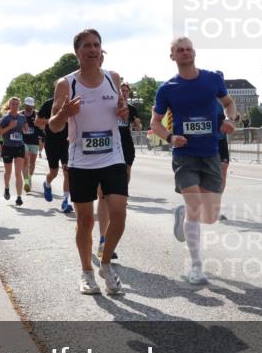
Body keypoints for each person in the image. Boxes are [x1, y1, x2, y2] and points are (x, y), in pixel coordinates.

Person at [150, 36, 238, 284]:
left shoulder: (212, 79)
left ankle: (184, 215)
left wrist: (230, 120)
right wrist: (169, 137)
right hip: (184, 155)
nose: (185, 52)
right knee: (194, 205)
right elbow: (154, 124)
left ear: (194, 53)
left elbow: (229, 104)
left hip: (211, 152)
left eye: (189, 48)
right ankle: (196, 267)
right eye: (180, 49)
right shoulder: (167, 88)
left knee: (210, 216)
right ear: (173, 56)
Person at [49, 28, 127, 294]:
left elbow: (122, 114)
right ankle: (86, 272)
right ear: (77, 52)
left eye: (96, 45)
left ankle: (105, 264)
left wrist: (123, 111)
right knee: (85, 221)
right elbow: (54, 126)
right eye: (87, 46)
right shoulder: (66, 84)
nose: (93, 50)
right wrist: (64, 112)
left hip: (112, 155)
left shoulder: (113, 78)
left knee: (119, 213)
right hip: (81, 160)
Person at [96, 81, 138, 259]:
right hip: (107, 149)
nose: (125, 93)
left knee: (125, 177)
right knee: (102, 196)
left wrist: (137, 123)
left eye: (127, 91)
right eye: (122, 90)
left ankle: (121, 194)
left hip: (125, 147)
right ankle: (103, 240)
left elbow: (138, 126)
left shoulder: (131, 108)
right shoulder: (106, 105)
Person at [38, 94, 72, 213]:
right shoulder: (48, 104)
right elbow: (37, 122)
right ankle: (47, 183)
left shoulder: (71, 102)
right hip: (51, 143)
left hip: (67, 142)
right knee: (54, 172)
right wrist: (55, 119)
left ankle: (66, 201)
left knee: (67, 171)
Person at [0, 97, 26, 206]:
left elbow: (24, 129)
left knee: (18, 173)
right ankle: (7, 188)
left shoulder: (22, 117)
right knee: (8, 172)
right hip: (8, 147)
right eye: (13, 104)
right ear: (9, 105)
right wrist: (9, 126)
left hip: (19, 146)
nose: (15, 106)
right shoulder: (5, 119)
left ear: (19, 105)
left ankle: (19, 197)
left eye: (17, 104)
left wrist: (25, 129)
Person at [20, 96, 40, 193]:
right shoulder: (21, 114)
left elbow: (42, 126)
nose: (30, 107)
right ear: (25, 105)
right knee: (26, 160)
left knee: (32, 162)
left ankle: (30, 177)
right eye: (28, 105)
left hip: (34, 141)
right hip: (23, 141)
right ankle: (26, 181)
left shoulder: (37, 114)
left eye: (31, 105)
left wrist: (37, 123)